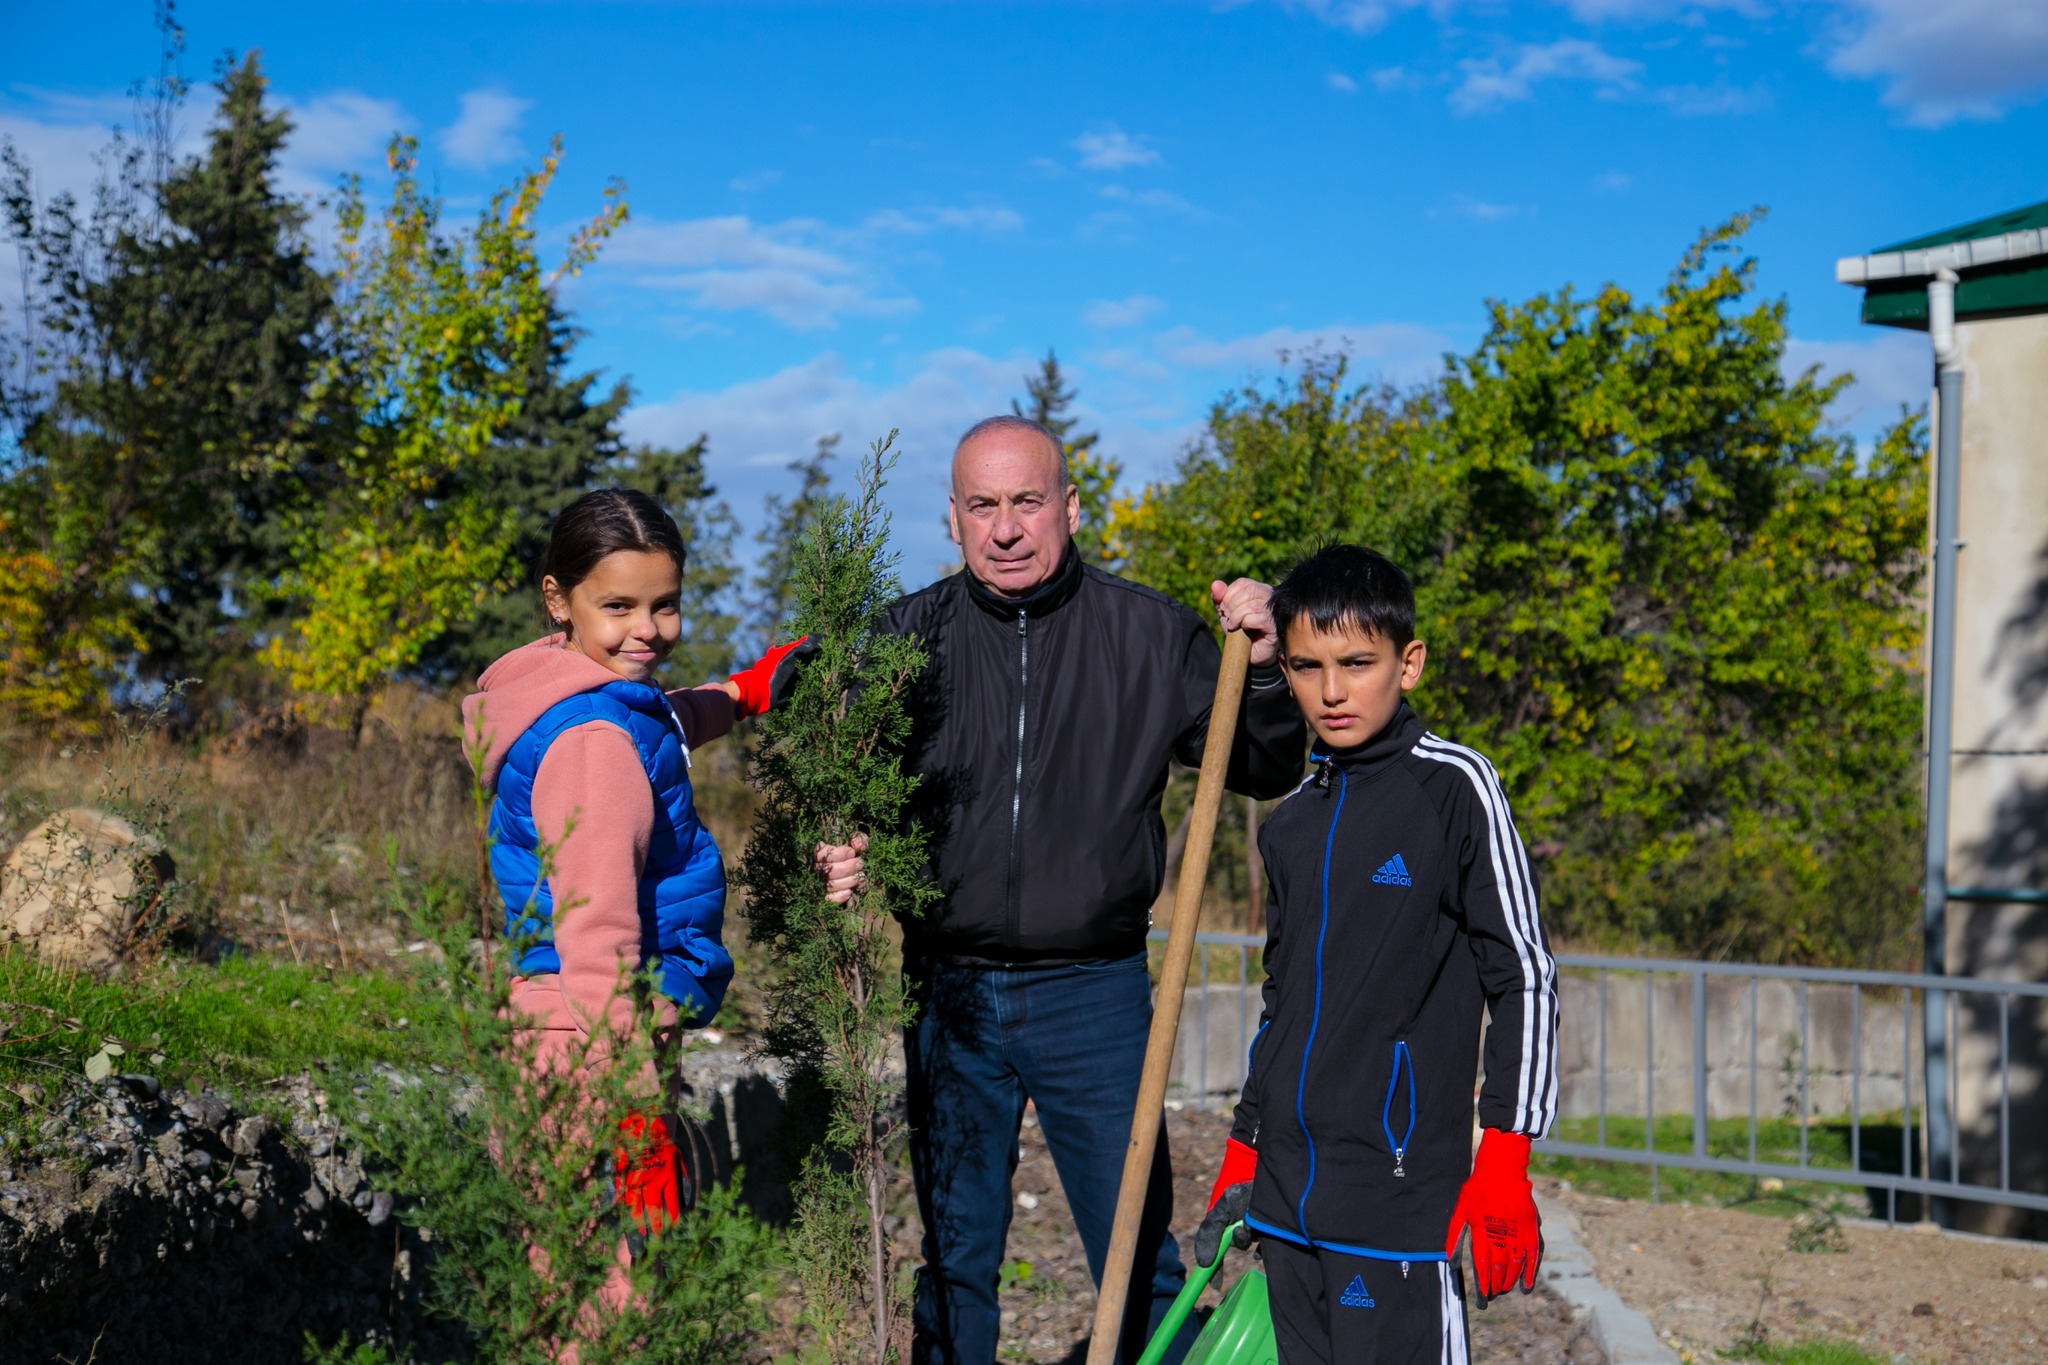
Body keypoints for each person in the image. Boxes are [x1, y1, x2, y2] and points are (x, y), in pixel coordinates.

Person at [814, 415, 1307, 1365]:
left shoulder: (1152, 636)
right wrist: (844, 841)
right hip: (946, 989)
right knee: (954, 1255)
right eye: (983, 505)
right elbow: (836, 784)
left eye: (1028, 502)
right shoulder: (901, 640)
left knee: (1135, 1253)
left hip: (1097, 996)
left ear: (1071, 508)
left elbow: (1258, 762)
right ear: (953, 519)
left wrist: (1272, 660)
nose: (1006, 528)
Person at [1192, 543, 1560, 1365]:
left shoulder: (1455, 788)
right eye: (1306, 665)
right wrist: (1245, 1150)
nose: (1331, 690)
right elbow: (1282, 1005)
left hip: (1396, 1201)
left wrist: (1506, 1151)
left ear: (1410, 663)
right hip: (1287, 1203)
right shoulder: (1292, 821)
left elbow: (1524, 973)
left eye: (1358, 663)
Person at [463, 488, 810, 1249]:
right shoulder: (594, 743)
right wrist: (630, 1102)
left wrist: (743, 694)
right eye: (618, 606)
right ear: (558, 598)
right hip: (592, 1037)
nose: (647, 631)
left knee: (566, 1277)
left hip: (561, 1025)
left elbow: (662, 719)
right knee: (605, 1292)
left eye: (666, 605)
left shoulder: (562, 691)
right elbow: (599, 934)